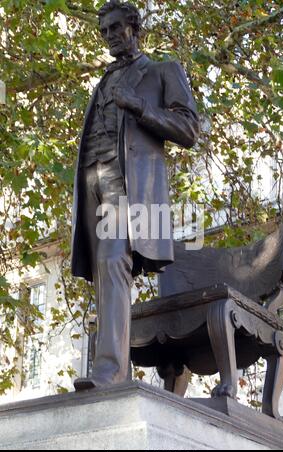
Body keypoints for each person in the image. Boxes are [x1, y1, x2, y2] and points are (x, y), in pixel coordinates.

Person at [71, 0, 199, 390]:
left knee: (112, 261)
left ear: (134, 27)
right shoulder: (103, 80)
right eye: (104, 31)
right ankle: (109, 367)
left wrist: (141, 107)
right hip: (93, 179)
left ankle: (109, 372)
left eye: (115, 28)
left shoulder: (162, 71)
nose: (109, 36)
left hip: (128, 187)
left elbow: (189, 129)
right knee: (103, 272)